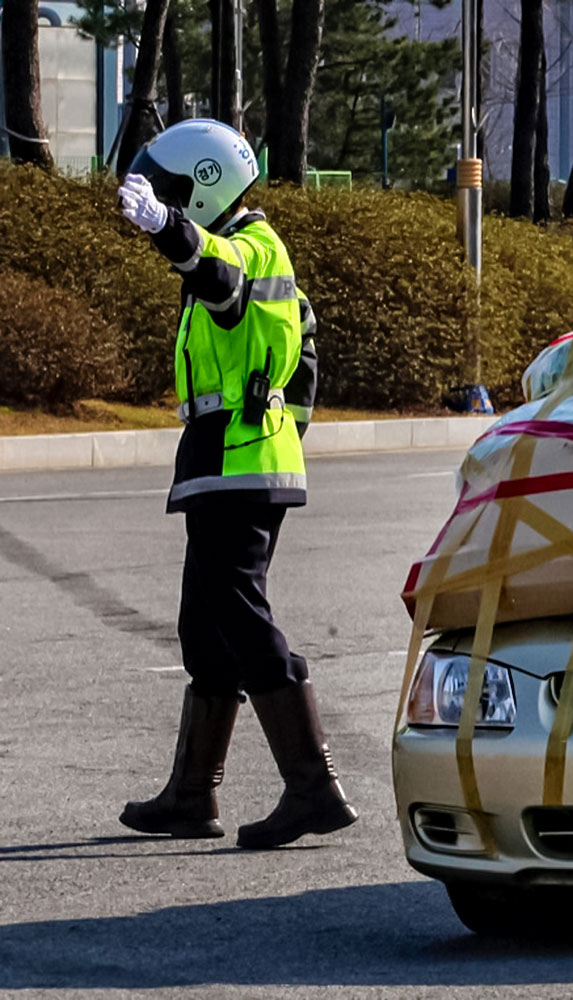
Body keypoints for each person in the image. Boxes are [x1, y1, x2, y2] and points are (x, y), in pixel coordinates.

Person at [114, 119, 356, 849]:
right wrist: (287, 430)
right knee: (206, 623)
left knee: (238, 611)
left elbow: (219, 278)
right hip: (232, 456)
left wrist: (166, 229)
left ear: (206, 185)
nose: (164, 199)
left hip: (240, 459)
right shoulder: (256, 250)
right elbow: (305, 360)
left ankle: (313, 785)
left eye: (174, 189)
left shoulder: (251, 245)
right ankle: (193, 797)